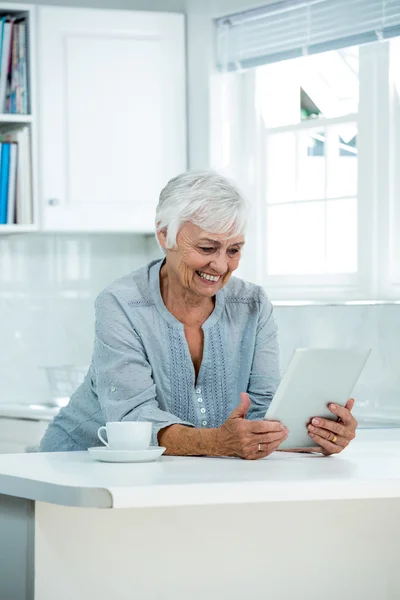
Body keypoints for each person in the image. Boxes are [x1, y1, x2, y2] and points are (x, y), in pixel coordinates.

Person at [40, 170, 358, 458]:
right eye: (207, 248)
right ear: (165, 235)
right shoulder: (122, 303)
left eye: (233, 250)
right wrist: (217, 442)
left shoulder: (252, 304)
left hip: (181, 470)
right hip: (79, 463)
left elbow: (265, 410)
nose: (220, 266)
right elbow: (133, 419)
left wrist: (316, 434)